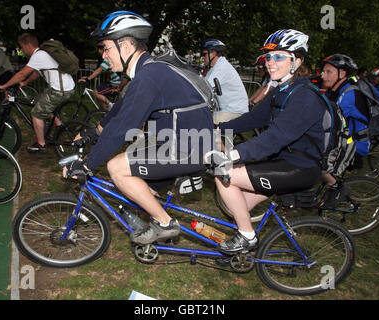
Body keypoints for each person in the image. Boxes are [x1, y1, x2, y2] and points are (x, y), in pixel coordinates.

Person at [63, 11, 214, 245]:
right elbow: (122, 107)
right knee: (139, 189)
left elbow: (123, 127)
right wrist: (95, 131)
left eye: (106, 48)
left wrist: (87, 165)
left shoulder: (149, 76)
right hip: (182, 144)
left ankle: (165, 223)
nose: (103, 55)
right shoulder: (149, 70)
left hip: (187, 149)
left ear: (125, 45)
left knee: (117, 167)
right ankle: (152, 222)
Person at [213, 29, 327, 254]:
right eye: (268, 57)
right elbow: (254, 118)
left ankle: (247, 238)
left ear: (297, 61)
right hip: (282, 162)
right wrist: (217, 128)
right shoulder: (282, 90)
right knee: (238, 207)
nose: (270, 63)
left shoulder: (305, 96)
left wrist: (234, 155)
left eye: (279, 57)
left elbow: (276, 137)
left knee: (223, 173)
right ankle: (242, 248)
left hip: (301, 168)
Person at [0, 33, 75, 152]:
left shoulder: (39, 55)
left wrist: (5, 86)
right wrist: (25, 82)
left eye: (21, 47)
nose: (21, 50)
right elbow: (36, 73)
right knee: (38, 101)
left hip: (60, 90)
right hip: (62, 87)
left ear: (28, 45)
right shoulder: (43, 54)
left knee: (36, 114)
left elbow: (22, 74)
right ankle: (59, 126)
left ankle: (41, 144)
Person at [320, 54, 370, 207]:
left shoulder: (349, 94)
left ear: (342, 74)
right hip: (340, 138)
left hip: (354, 143)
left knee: (315, 163)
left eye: (328, 72)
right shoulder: (334, 90)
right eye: (323, 71)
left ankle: (337, 187)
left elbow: (327, 120)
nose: (323, 75)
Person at [200, 38, 248, 124]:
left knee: (204, 123)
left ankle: (220, 137)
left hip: (234, 111)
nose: (202, 57)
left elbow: (204, 89)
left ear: (213, 53)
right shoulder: (214, 67)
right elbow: (202, 84)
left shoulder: (221, 67)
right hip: (226, 109)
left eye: (204, 54)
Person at [79, 42, 129, 110]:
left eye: (100, 49)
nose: (99, 51)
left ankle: (110, 105)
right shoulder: (113, 57)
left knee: (96, 92)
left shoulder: (108, 59)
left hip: (115, 85)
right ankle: (105, 112)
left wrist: (87, 79)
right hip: (115, 83)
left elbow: (99, 70)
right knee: (100, 97)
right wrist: (88, 76)